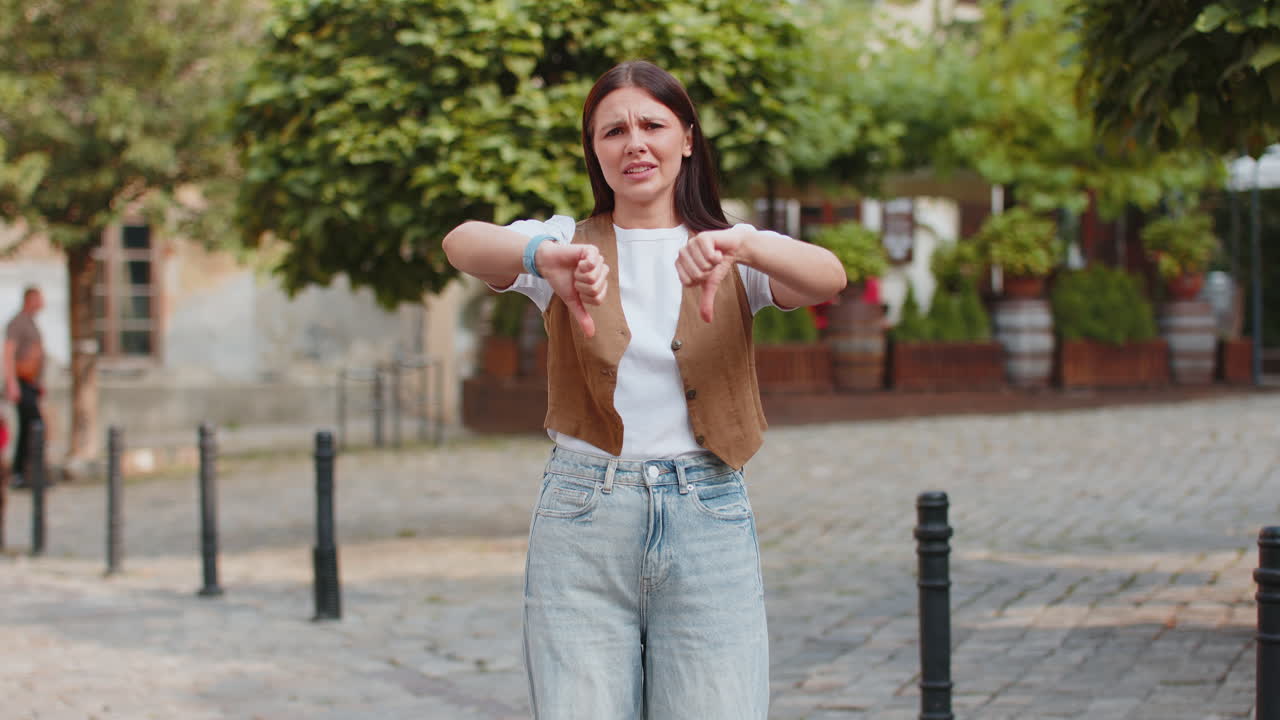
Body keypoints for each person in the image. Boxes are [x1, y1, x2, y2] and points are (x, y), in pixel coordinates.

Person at [442, 60, 845, 719]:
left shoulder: (729, 250)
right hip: (583, 515)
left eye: (653, 125)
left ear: (687, 138)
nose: (635, 143)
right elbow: (462, 243)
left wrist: (744, 243)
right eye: (613, 131)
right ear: (594, 150)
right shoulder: (567, 245)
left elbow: (827, 277)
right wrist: (539, 256)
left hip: (708, 514)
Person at [6, 286, 45, 489]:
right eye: (39, 299)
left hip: (30, 383)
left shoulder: (31, 322)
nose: (43, 303)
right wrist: (11, 383)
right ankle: (25, 473)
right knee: (34, 426)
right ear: (30, 299)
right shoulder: (17, 323)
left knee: (29, 427)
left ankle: (24, 473)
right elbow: (9, 352)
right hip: (21, 383)